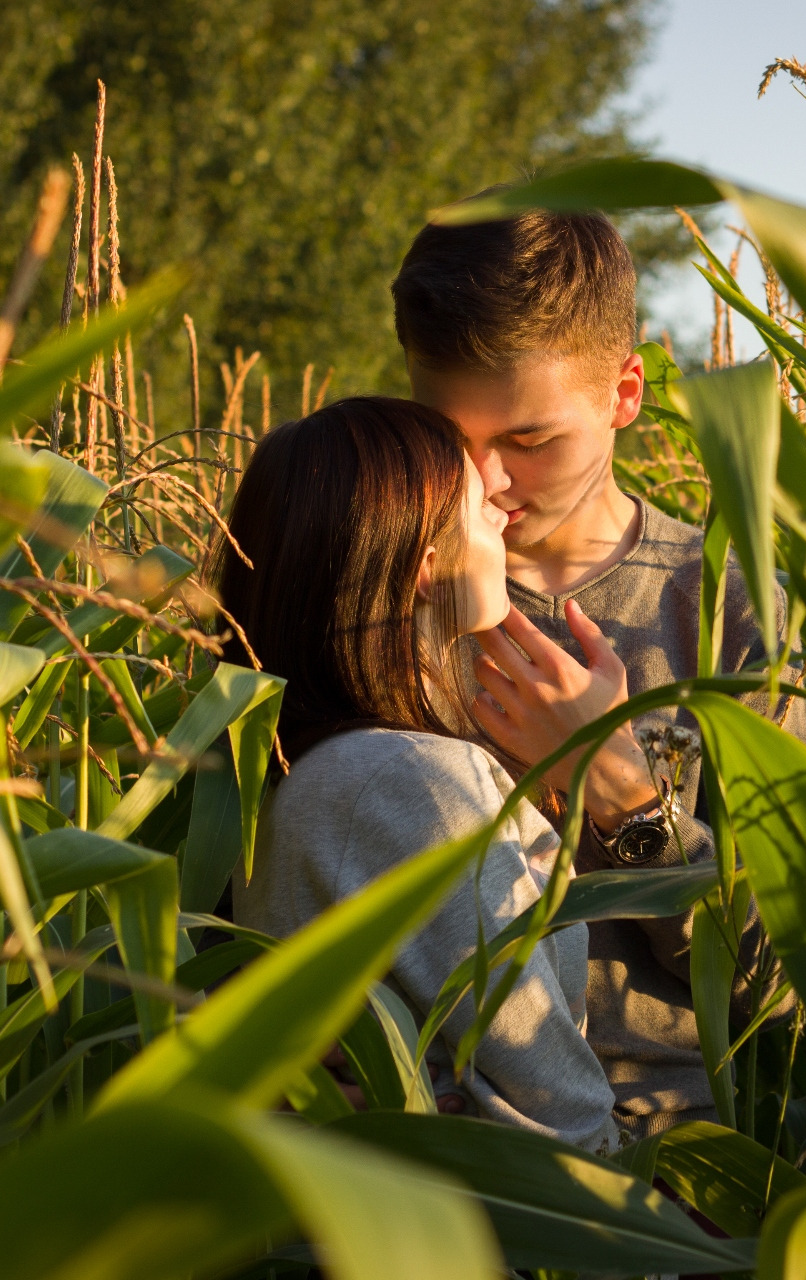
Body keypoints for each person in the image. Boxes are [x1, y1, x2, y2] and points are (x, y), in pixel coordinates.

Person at [392, 206, 806, 1140]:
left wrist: (620, 793)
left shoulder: (726, 613)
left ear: (625, 393)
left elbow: (782, 986)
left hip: (664, 1141)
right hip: (423, 1132)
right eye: (448, 437)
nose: (487, 481)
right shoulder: (372, 586)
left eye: (530, 441)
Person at [222, 395, 620, 1152]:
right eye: (477, 507)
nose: (503, 513)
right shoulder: (405, 779)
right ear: (427, 568)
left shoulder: (296, 760)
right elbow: (561, 1119)